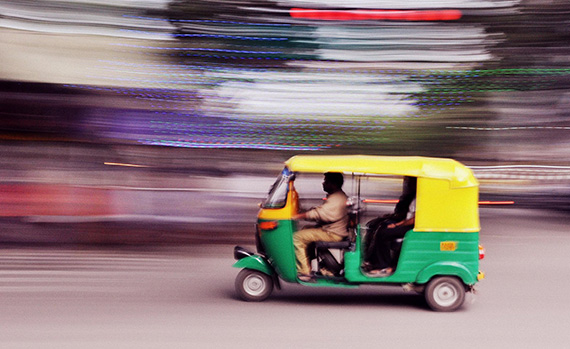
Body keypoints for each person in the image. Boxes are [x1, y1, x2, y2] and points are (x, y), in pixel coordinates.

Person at [293, 172, 349, 282]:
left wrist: (299, 216)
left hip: (333, 234)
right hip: (331, 230)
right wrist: (304, 212)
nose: (323, 183)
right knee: (306, 229)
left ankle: (304, 272)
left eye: (326, 181)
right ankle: (308, 264)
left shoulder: (337, 198)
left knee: (297, 238)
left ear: (334, 184)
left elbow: (321, 214)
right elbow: (321, 211)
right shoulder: (335, 196)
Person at [363, 176, 417, 276]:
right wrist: (395, 223)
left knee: (384, 233)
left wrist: (397, 225)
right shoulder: (413, 196)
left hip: (412, 228)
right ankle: (372, 260)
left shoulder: (421, 198)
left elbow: (414, 219)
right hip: (406, 224)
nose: (408, 184)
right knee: (380, 226)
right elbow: (406, 217)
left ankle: (382, 265)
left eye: (410, 182)